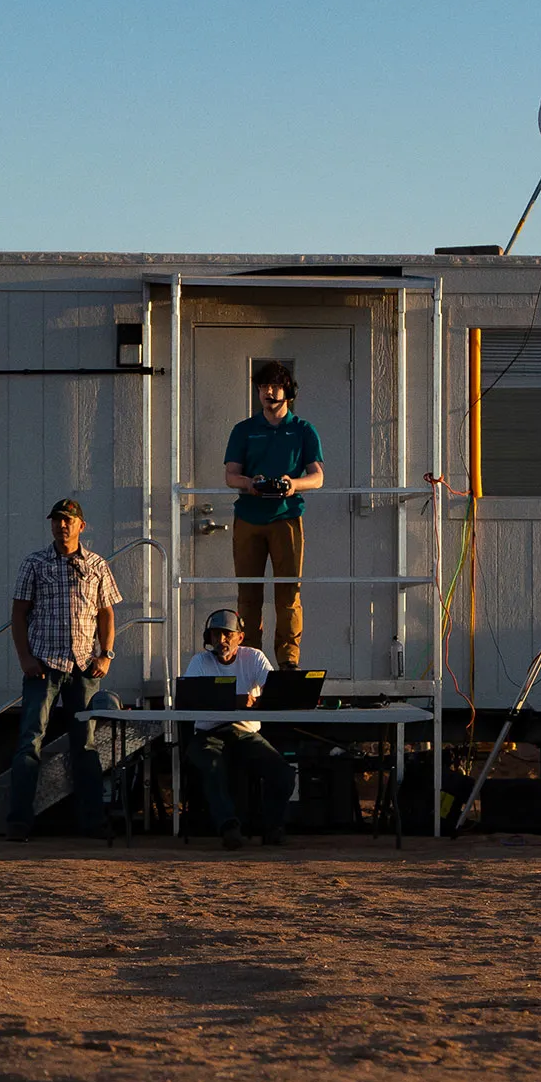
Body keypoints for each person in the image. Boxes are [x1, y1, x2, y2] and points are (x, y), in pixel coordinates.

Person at [6, 498, 123, 841]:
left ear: (81, 526)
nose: (63, 526)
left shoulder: (98, 565)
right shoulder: (35, 563)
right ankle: (18, 822)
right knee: (30, 741)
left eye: (69, 521)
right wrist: (25, 658)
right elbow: (18, 614)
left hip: (84, 667)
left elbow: (107, 614)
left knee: (84, 746)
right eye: (57, 521)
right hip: (44, 665)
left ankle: (90, 823)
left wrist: (107, 655)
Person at [223, 360, 324, 668]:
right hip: (249, 519)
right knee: (248, 594)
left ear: (288, 391)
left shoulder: (303, 430)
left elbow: (317, 477)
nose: (269, 392)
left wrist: (292, 484)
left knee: (289, 593)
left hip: (287, 518)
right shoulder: (244, 430)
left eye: (275, 386)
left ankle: (288, 663)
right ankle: (251, 658)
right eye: (263, 387)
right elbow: (231, 476)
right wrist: (251, 484)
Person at [181, 608, 297, 850]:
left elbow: (273, 691)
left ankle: (272, 827)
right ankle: (229, 828)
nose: (220, 641)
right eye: (215, 635)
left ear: (240, 638)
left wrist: (264, 700)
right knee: (212, 767)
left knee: (283, 772)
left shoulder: (254, 658)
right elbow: (191, 700)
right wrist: (237, 701)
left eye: (226, 635)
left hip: (245, 734)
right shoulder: (199, 661)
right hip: (208, 734)